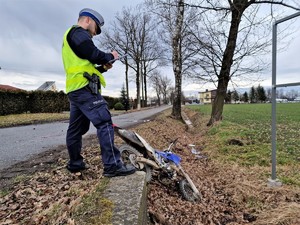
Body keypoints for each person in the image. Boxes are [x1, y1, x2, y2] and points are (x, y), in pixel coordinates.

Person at [61, 8, 135, 177]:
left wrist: (103, 67)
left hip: (75, 89)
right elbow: (92, 53)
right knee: (104, 122)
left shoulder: (70, 37)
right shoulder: (78, 33)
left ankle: (75, 164)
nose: (94, 34)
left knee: (76, 129)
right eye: (95, 29)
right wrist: (110, 55)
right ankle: (112, 166)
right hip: (85, 90)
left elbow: (86, 66)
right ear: (88, 20)